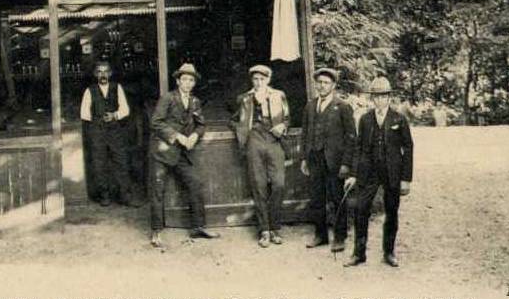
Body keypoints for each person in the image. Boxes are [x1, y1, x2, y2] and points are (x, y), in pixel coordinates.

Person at [345, 76, 414, 268]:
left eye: (383, 96)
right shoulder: (365, 120)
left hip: (392, 172)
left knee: (391, 212)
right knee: (360, 209)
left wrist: (406, 179)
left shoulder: (399, 119)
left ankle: (389, 252)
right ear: (372, 99)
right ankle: (359, 254)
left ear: (389, 98)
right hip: (369, 172)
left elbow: (408, 148)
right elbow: (359, 148)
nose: (379, 100)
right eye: (375, 97)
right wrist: (353, 174)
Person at [148, 63, 219, 248]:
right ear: (178, 81)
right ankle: (156, 232)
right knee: (157, 191)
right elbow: (155, 122)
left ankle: (198, 226)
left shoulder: (195, 101)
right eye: (184, 79)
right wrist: (178, 136)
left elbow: (201, 124)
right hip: (162, 152)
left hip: (182, 154)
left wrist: (195, 135)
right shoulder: (168, 98)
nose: (187, 83)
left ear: (194, 83)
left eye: (191, 80)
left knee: (195, 183)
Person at [230, 64, 291, 248]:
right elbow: (233, 120)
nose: (258, 82)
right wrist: (242, 131)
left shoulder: (278, 95)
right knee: (259, 186)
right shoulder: (244, 99)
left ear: (268, 80)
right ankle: (265, 230)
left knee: (279, 184)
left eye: (262, 79)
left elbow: (287, 118)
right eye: (255, 79)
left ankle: (275, 226)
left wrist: (283, 126)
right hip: (254, 142)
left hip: (274, 141)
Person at [300, 67, 357, 253]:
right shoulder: (310, 106)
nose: (322, 86)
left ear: (333, 85)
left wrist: (346, 164)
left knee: (336, 198)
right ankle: (320, 235)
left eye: (326, 83)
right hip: (315, 159)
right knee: (317, 199)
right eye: (319, 82)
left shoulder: (342, 107)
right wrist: (304, 158)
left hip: (335, 162)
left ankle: (340, 237)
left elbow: (351, 138)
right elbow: (305, 134)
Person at [80, 61, 141, 207]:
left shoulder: (117, 87)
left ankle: (125, 196)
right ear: (96, 74)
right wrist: (97, 122)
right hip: (97, 131)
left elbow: (125, 109)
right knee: (99, 163)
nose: (103, 75)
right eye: (99, 72)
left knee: (121, 162)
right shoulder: (90, 90)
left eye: (105, 71)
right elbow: (84, 114)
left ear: (110, 73)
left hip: (115, 130)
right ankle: (104, 195)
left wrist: (114, 115)